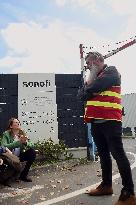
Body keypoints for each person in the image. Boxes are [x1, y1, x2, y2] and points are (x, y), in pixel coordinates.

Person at [77, 51, 136, 205]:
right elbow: (81, 96)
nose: (88, 66)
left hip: (111, 121)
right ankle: (106, 185)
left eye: (89, 63)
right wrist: (90, 87)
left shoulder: (112, 71)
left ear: (98, 60)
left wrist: (90, 88)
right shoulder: (94, 76)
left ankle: (128, 193)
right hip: (96, 122)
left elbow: (93, 88)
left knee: (118, 154)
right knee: (103, 155)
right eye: (87, 64)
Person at [1, 118, 36, 182]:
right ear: (11, 126)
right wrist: (18, 143)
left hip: (19, 156)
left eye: (18, 122)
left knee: (32, 152)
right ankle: (7, 177)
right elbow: (3, 146)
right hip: (9, 156)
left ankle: (23, 176)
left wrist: (25, 143)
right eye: (16, 122)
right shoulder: (6, 134)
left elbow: (32, 144)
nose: (18, 123)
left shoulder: (22, 133)